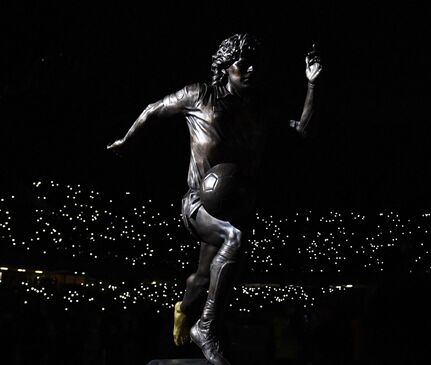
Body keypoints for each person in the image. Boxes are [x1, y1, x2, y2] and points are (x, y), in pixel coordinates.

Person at [107, 33, 322, 365]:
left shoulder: (258, 110)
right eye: (242, 64)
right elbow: (153, 109)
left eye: (255, 64)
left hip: (234, 207)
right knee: (233, 239)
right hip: (197, 204)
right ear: (225, 68)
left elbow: (302, 131)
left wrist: (311, 86)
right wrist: (126, 139)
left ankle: (183, 309)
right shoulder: (199, 95)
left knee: (205, 275)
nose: (251, 69)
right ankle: (206, 328)